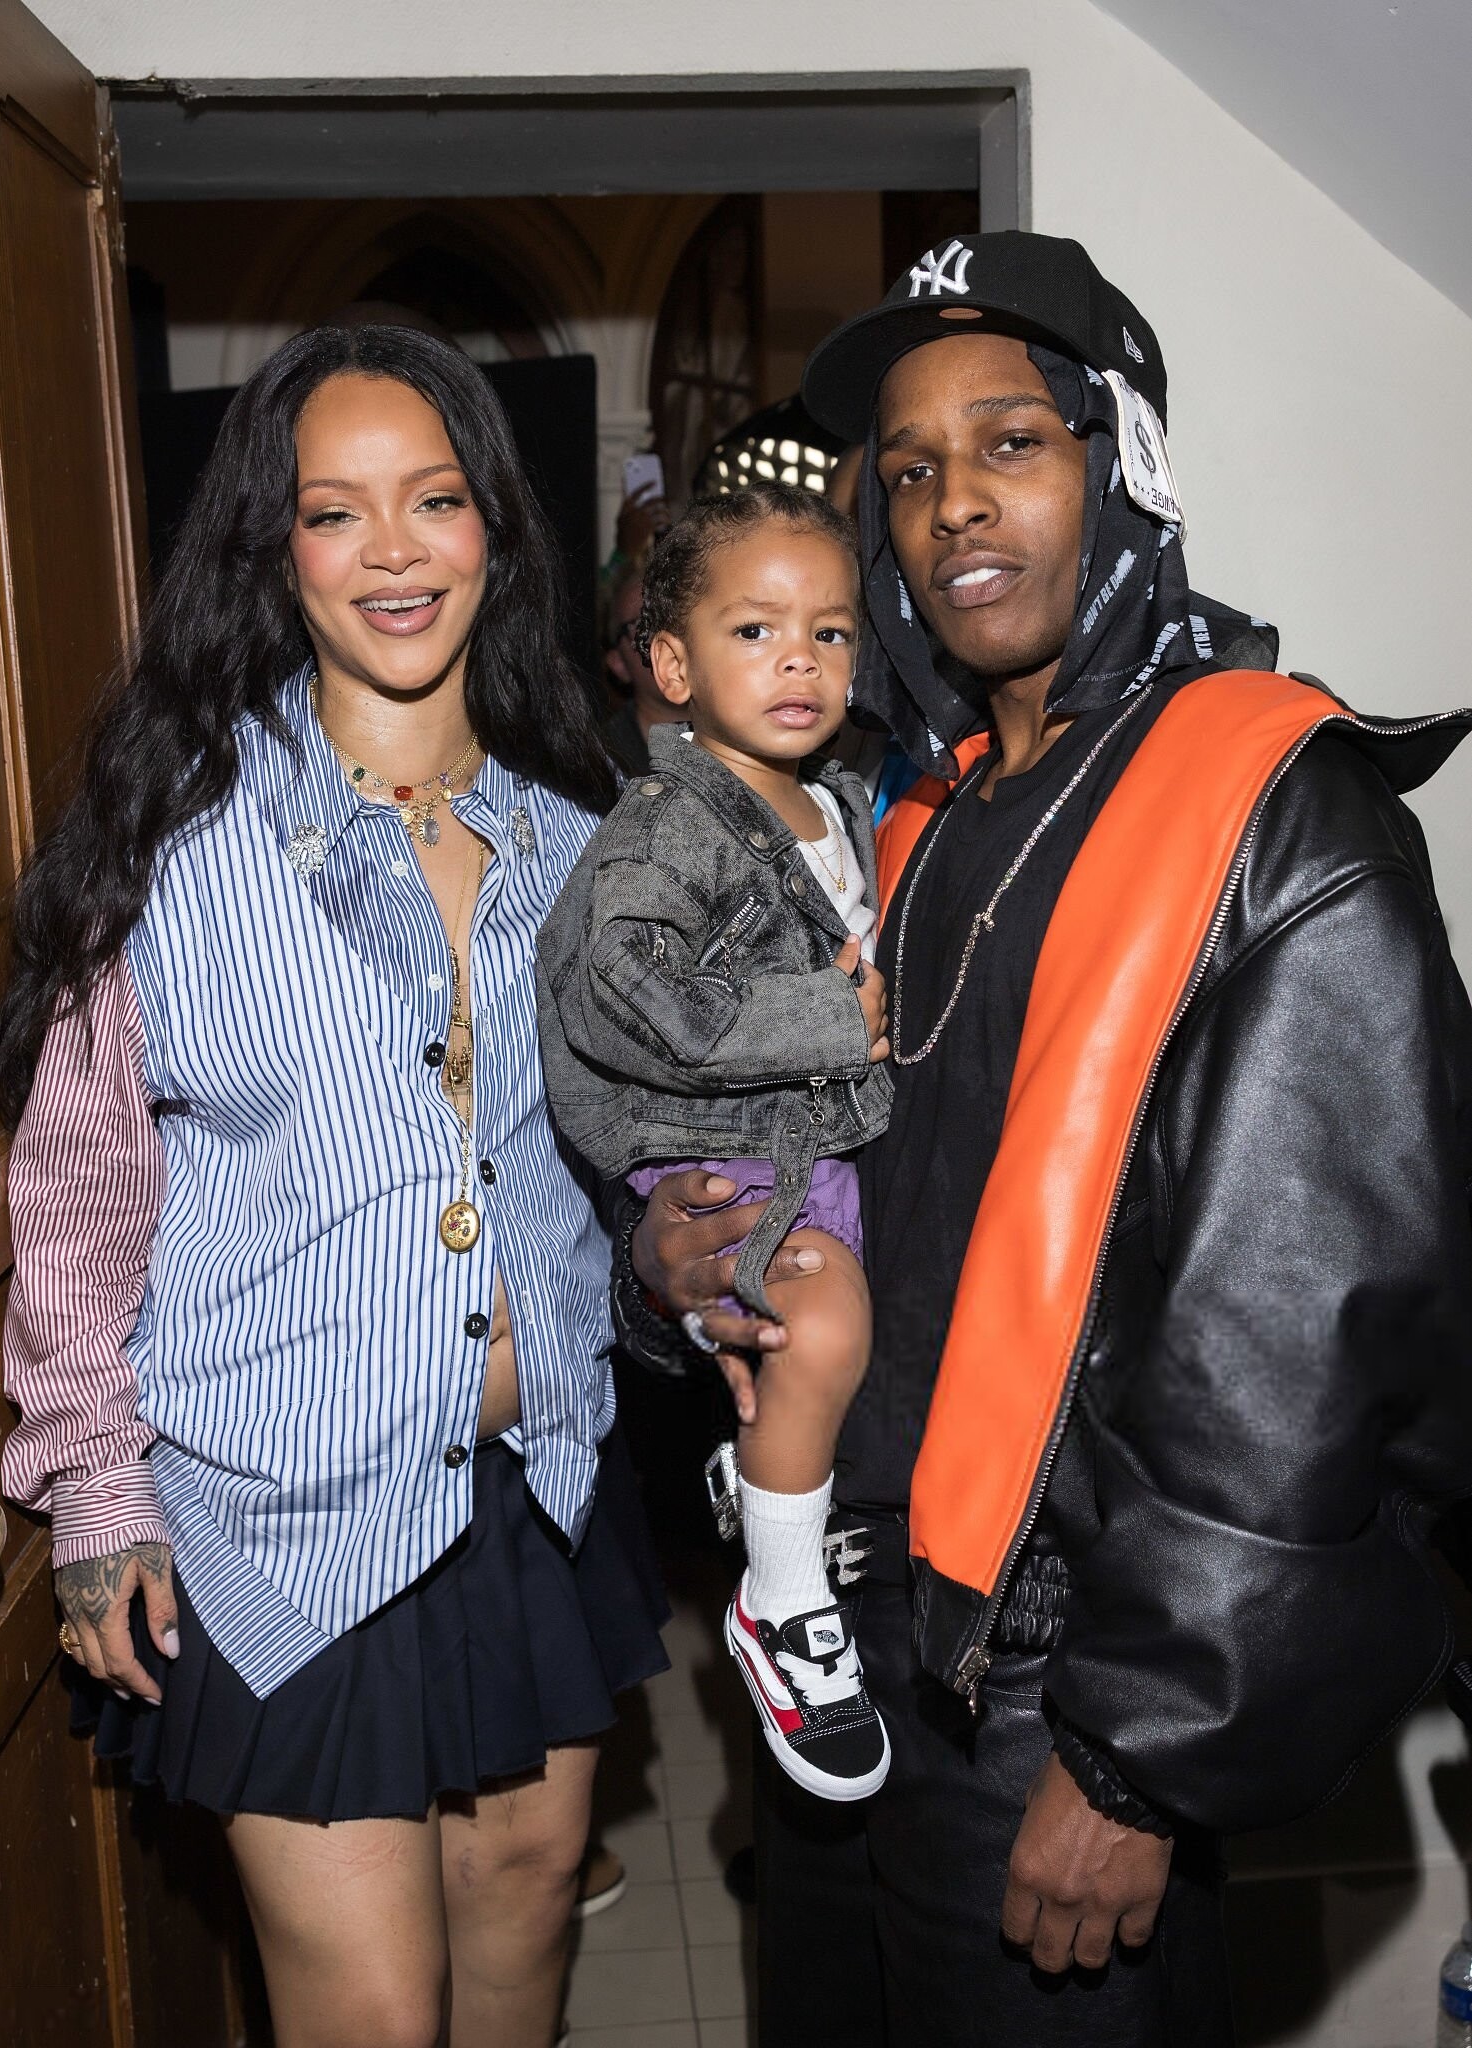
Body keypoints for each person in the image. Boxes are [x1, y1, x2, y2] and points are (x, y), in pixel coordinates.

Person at [614, 230, 1472, 2046]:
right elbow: (852, 1187)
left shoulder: (1276, 815)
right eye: (907, 469)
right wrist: (673, 1259)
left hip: (1053, 1695)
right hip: (845, 1645)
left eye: (1010, 441)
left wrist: (1139, 1755)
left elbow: (1306, 1344)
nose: (951, 505)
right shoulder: (905, 817)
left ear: (1121, 466)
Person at [0, 324, 668, 2048]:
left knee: (529, 1896)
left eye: (433, 499)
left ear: (495, 528)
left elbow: (632, 1157)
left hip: (538, 1486)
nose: (391, 551)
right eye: (333, 510)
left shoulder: (582, 838)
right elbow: (80, 1193)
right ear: (271, 548)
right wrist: (98, 1498)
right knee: (371, 2007)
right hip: (283, 1515)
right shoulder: (171, 842)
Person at [538, 485, 895, 1800]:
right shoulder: (665, 824)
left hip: (822, 1137)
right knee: (824, 1326)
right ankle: (780, 1603)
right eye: (756, 631)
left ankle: (772, 1480)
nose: (799, 660)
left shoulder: (839, 802)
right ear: (673, 666)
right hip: (722, 1147)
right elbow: (621, 990)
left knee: (848, 1344)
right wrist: (827, 1019)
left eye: (829, 632)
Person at [598, 564, 688, 778]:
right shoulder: (603, 765)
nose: (668, 632)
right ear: (618, 663)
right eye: (644, 624)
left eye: (676, 613)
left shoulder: (750, 736)